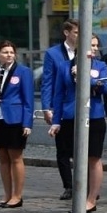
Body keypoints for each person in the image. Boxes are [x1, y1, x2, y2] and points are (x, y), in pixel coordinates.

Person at [48, 32, 107, 213]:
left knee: (93, 157)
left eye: (96, 45)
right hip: (70, 116)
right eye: (91, 45)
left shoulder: (100, 65)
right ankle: (80, 196)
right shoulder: (64, 66)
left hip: (94, 115)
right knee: (77, 158)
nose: (94, 48)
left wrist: (87, 78)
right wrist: (56, 120)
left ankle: (91, 199)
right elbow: (58, 94)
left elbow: (106, 87)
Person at [0, 40, 33, 207]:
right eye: (5, 52)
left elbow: (28, 100)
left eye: (11, 52)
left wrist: (27, 124)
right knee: (2, 158)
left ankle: (17, 196)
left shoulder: (23, 72)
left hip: (15, 119)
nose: (9, 55)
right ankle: (7, 194)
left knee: (16, 158)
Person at [41, 20, 79, 200]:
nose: (79, 36)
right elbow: (47, 81)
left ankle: (84, 185)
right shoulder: (53, 54)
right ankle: (69, 186)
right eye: (76, 32)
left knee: (82, 149)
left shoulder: (87, 52)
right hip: (62, 106)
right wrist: (47, 107)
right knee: (63, 150)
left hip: (82, 107)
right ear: (66, 33)